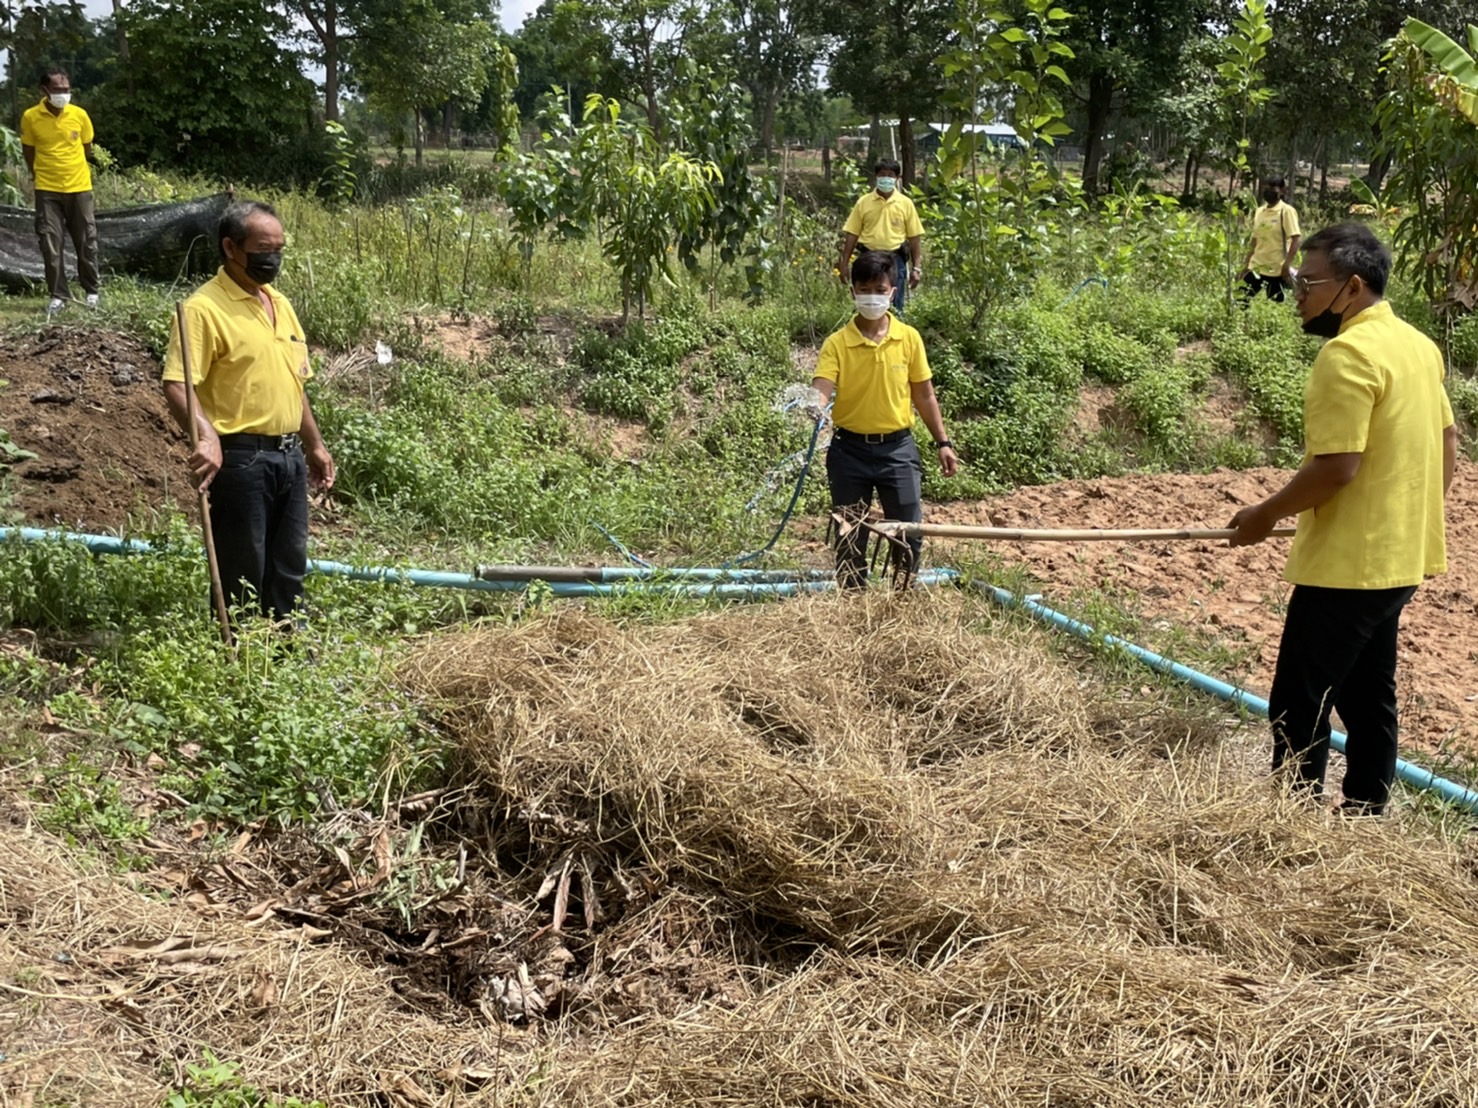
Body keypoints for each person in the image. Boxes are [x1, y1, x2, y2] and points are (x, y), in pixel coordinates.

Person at [1227, 223, 1457, 815]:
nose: (1297, 293)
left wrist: (1261, 516)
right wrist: (1413, 512)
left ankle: (1292, 823)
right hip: (1399, 558)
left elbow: (1335, 468)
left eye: (1308, 282)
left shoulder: (1347, 352)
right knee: (1366, 695)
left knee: (1298, 700)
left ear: (1351, 288)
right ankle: (1364, 814)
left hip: (1349, 567)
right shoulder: (1416, 344)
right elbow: (1448, 441)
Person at [161, 200, 336, 624]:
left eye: (279, 249)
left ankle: (286, 649)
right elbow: (177, 383)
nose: (272, 258)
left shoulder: (280, 303)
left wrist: (314, 445)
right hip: (241, 459)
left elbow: (294, 383)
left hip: (288, 456)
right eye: (262, 248)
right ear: (231, 247)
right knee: (244, 566)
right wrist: (207, 436)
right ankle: (237, 655)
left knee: (289, 563)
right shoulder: (204, 309)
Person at [812, 250, 959, 588]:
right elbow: (822, 386)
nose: (872, 297)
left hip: (898, 451)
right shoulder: (837, 344)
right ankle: (852, 603)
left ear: (893, 292)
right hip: (849, 452)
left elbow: (924, 395)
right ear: (853, 292)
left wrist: (943, 442)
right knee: (850, 533)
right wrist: (815, 406)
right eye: (865, 290)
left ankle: (902, 598)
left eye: (880, 290)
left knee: (908, 530)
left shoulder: (908, 339)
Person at [20, 66, 99, 314]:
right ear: (44, 90)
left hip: (79, 187)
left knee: (86, 240)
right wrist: (38, 174)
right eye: (57, 90)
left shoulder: (80, 115)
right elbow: (28, 151)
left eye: (66, 89)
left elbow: (86, 148)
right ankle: (58, 296)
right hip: (47, 189)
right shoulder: (31, 117)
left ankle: (92, 291)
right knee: (50, 242)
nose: (63, 94)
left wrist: (72, 169)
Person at [838, 157, 923, 314]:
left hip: (894, 259)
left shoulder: (905, 204)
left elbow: (914, 238)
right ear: (876, 176)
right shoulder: (863, 203)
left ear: (897, 178)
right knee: (866, 302)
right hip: (868, 257)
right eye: (883, 174)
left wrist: (916, 268)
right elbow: (852, 234)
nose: (886, 178)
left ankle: (894, 334)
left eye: (891, 175)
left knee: (894, 304)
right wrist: (844, 263)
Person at [1240, 176, 1300, 304]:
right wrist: (1245, 266)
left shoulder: (1286, 211)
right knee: (1240, 300)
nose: (1269, 191)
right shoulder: (1259, 211)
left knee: (1275, 304)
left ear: (1283, 191)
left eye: (1273, 188)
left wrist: (1286, 265)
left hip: (1276, 270)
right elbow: (1254, 241)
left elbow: (1295, 240)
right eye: (1266, 187)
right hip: (1256, 266)